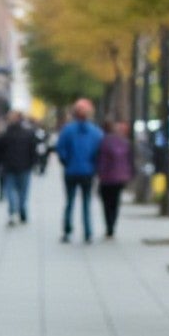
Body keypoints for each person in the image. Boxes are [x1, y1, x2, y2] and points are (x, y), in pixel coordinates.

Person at [55, 98, 104, 243]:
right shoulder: (95, 132)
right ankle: (88, 232)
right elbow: (99, 152)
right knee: (86, 203)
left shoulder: (67, 130)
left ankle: (67, 231)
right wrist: (93, 166)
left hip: (71, 171)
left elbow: (60, 149)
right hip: (87, 172)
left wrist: (67, 162)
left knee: (69, 202)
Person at [0, 110, 37, 225]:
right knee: (23, 192)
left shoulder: (6, 134)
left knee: (10, 190)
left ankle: (13, 211)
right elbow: (33, 150)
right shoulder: (28, 133)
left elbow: (0, 150)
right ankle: (21, 210)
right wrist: (33, 163)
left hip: (10, 166)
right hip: (24, 166)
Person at [96, 119, 133, 239]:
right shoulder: (125, 143)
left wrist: (98, 173)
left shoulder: (104, 142)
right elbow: (129, 161)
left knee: (106, 203)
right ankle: (112, 225)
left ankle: (109, 226)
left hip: (106, 178)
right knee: (115, 202)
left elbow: (100, 160)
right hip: (119, 178)